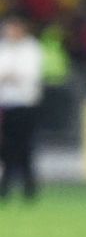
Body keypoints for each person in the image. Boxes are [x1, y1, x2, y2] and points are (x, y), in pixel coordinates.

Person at [0, 15, 44, 201]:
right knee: (6, 149)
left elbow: (28, 75)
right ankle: (5, 187)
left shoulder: (31, 48)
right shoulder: (4, 48)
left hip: (25, 105)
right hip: (5, 105)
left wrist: (9, 76)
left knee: (25, 148)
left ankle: (29, 187)